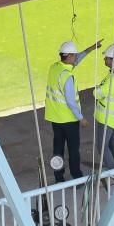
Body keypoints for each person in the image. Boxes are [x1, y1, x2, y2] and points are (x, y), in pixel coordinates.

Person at [44, 39, 101, 182]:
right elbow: (70, 101)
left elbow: (77, 60)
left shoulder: (54, 68)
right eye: (74, 55)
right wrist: (81, 118)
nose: (76, 58)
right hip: (69, 120)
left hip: (55, 118)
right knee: (73, 150)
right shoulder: (67, 76)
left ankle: (59, 177)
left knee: (58, 150)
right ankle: (76, 176)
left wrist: (90, 49)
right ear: (68, 56)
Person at [93, 44, 114, 173]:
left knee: (102, 146)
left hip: (106, 117)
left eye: (106, 58)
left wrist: (97, 89)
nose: (104, 60)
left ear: (113, 60)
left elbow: (97, 93)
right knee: (112, 143)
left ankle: (113, 172)